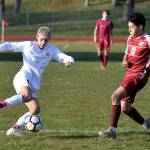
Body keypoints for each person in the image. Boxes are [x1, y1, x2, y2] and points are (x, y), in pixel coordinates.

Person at [0, 26, 75, 136]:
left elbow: (65, 57)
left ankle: (14, 129)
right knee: (26, 95)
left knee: (35, 109)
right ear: (37, 37)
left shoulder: (52, 50)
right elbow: (9, 45)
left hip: (34, 83)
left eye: (46, 40)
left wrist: (69, 61)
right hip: (23, 77)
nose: (43, 42)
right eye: (41, 39)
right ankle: (2, 104)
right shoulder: (28, 45)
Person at [98, 12, 150, 139]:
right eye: (128, 27)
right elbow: (126, 56)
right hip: (129, 74)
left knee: (115, 96)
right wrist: (125, 61)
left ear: (140, 27)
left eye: (131, 27)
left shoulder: (148, 39)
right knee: (125, 108)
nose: (129, 30)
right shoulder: (130, 39)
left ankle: (112, 131)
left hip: (139, 76)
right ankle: (146, 123)